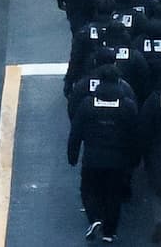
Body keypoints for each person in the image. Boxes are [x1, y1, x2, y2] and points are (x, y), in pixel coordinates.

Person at [65, 61, 141, 243]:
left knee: (88, 190)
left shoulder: (87, 104)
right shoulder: (127, 106)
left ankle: (95, 218)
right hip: (117, 159)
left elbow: (75, 132)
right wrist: (134, 159)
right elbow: (134, 134)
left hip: (92, 158)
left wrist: (72, 155)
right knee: (113, 194)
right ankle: (109, 232)